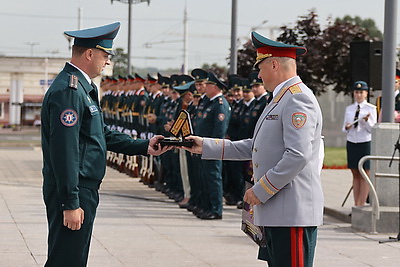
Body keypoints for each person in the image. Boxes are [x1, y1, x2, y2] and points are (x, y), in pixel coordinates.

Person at [182, 31, 324, 266]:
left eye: (261, 67)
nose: (258, 74)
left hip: (292, 212)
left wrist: (262, 189)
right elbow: (256, 146)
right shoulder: (280, 99)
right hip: (279, 212)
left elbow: (297, 156)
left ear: (275, 64)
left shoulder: (298, 99)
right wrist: (205, 146)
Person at [41, 22, 169, 267]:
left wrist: (144, 146)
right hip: (74, 188)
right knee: (66, 260)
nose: (107, 62)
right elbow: (65, 151)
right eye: (105, 55)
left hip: (82, 187)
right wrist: (71, 202)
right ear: (89, 53)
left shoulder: (81, 88)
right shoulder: (69, 91)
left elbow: (101, 134)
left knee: (73, 258)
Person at [343, 81, 377, 207]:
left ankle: (361, 204)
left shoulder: (371, 109)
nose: (359, 95)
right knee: (355, 173)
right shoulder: (349, 109)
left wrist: (367, 121)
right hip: (352, 141)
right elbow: (344, 128)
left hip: (365, 142)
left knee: (364, 173)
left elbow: (372, 129)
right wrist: (347, 127)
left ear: (366, 93)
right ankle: (356, 204)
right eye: (356, 92)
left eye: (361, 92)